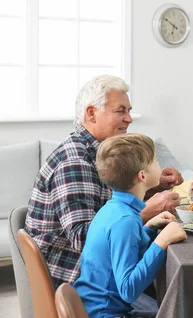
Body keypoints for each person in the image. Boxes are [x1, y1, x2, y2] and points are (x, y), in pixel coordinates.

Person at [25, 75, 182, 287]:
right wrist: (144, 213)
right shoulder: (75, 162)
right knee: (170, 278)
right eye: (121, 111)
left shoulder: (101, 154)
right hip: (76, 279)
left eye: (129, 110)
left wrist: (151, 185)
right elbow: (82, 238)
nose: (129, 118)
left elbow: (109, 205)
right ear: (92, 113)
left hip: (96, 267)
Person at [74, 133, 186, 318]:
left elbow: (121, 248)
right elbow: (128, 290)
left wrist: (149, 228)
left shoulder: (113, 209)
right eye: (156, 161)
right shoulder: (125, 221)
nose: (159, 165)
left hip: (95, 308)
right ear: (142, 175)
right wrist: (161, 242)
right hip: (105, 315)